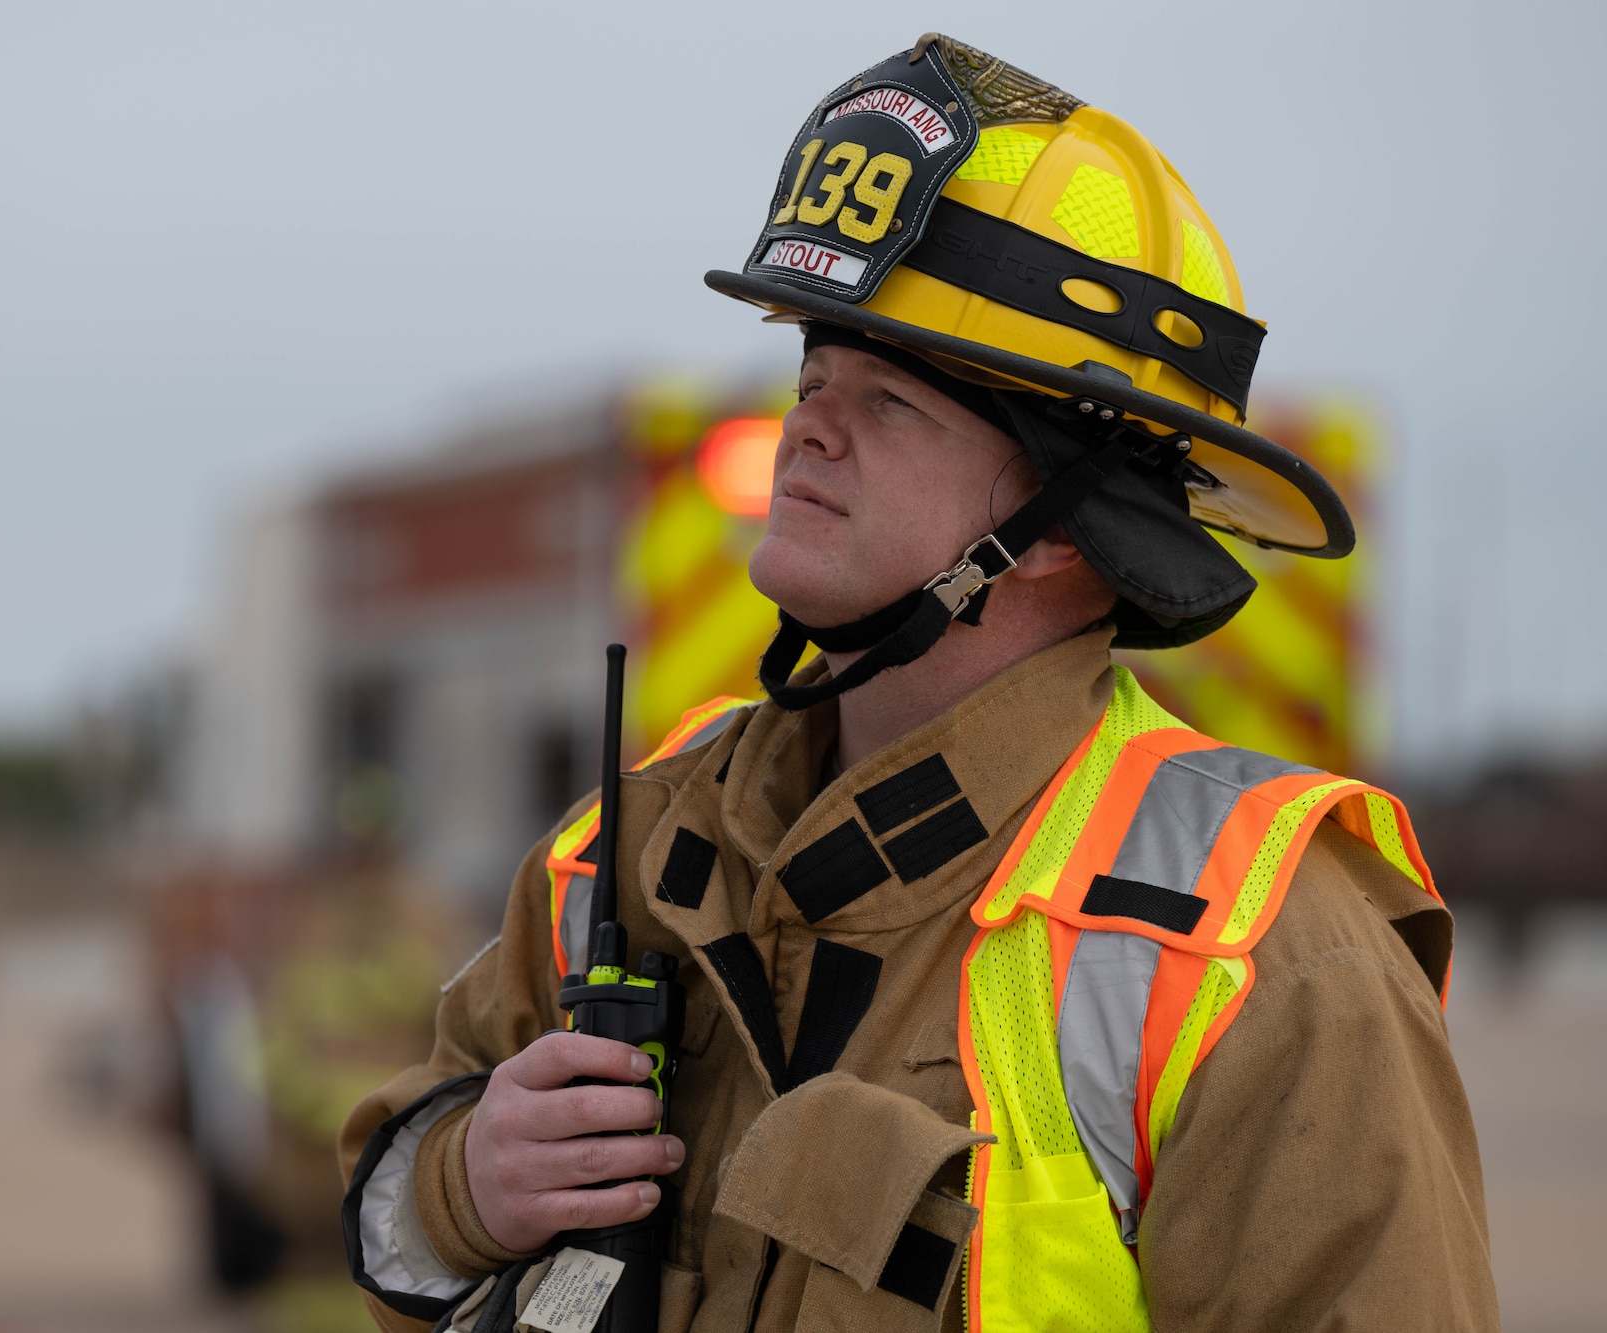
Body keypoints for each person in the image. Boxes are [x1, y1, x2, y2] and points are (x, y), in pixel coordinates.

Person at [341, 33, 1499, 1333]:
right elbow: (413, 1195)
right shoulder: (631, 849)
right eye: (815, 372)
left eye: (893, 400)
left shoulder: (1261, 957)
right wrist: (463, 1190)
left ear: (1072, 524)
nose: (810, 424)